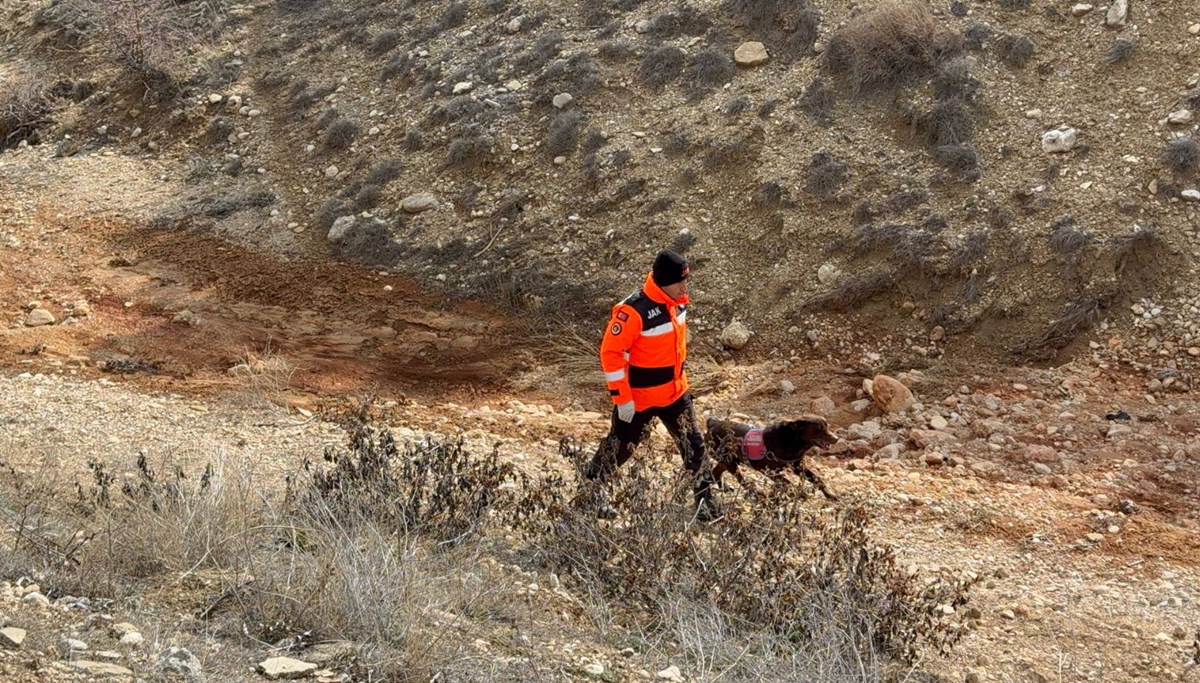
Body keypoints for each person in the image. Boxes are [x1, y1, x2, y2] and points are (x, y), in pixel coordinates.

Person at [585, 249, 718, 521]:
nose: (685, 286)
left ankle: (707, 506)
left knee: (695, 447)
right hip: (639, 401)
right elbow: (610, 354)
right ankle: (590, 494)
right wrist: (622, 399)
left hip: (675, 394)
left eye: (686, 280)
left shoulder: (677, 303)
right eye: (679, 281)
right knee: (619, 449)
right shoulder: (632, 311)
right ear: (662, 281)